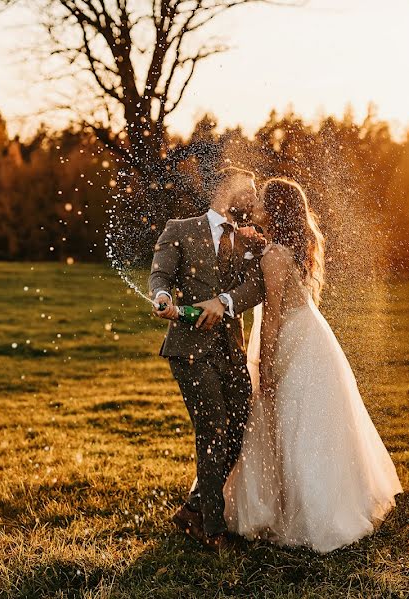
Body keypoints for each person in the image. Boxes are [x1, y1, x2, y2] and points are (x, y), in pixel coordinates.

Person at [223, 178, 402, 553]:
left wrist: (266, 367)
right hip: (311, 336)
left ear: (273, 210)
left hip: (293, 341)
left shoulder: (274, 256)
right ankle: (326, 502)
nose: (253, 204)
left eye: (260, 201)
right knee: (310, 423)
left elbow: (271, 318)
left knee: (292, 420)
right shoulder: (287, 248)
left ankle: (309, 513)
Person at [149, 166, 265, 549]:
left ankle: (194, 508)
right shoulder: (180, 229)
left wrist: (224, 302)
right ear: (225, 189)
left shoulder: (247, 241)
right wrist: (163, 298)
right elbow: (160, 276)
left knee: (239, 426)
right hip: (189, 350)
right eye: (246, 190)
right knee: (213, 426)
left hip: (230, 348)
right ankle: (213, 529)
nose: (252, 197)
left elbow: (257, 285)